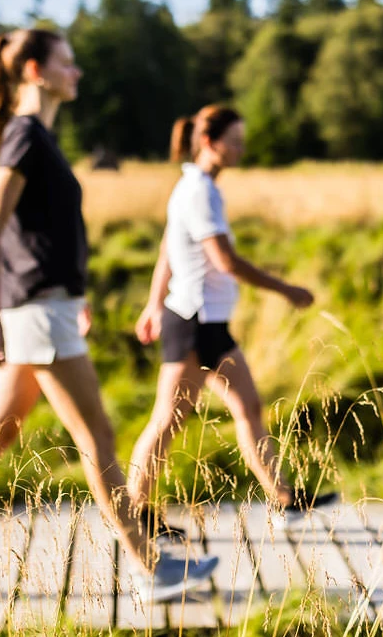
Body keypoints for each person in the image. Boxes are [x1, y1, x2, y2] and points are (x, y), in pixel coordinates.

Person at [0, 29, 218, 600]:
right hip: (35, 314)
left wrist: (76, 295)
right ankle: (150, 569)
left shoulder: (39, 137)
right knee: (97, 437)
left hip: (49, 308)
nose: (76, 73)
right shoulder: (25, 136)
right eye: (66, 63)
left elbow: (41, 234)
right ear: (35, 70)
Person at [128, 105, 337, 539]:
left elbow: (168, 249)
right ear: (209, 142)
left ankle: (284, 501)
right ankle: (134, 514)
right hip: (194, 323)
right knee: (168, 420)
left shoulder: (193, 186)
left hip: (208, 324)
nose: (242, 148)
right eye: (235, 141)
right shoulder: (199, 191)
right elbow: (225, 260)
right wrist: (286, 289)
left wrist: (152, 303)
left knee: (248, 408)